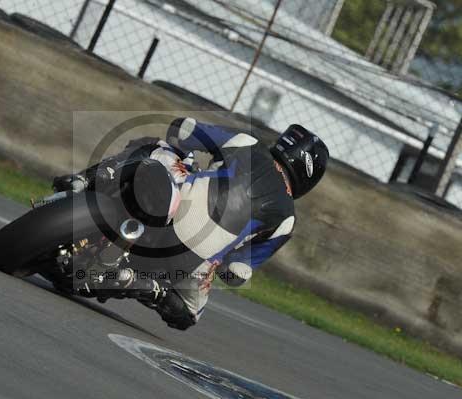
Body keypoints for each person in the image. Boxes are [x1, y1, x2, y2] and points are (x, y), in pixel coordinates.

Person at [52, 118, 329, 330]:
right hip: (190, 261)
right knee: (188, 314)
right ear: (309, 179)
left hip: (174, 207)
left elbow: (184, 130)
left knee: (158, 147)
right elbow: (235, 273)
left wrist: (186, 143)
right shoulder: (287, 220)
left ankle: (85, 180)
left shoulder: (248, 143)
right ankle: (139, 284)